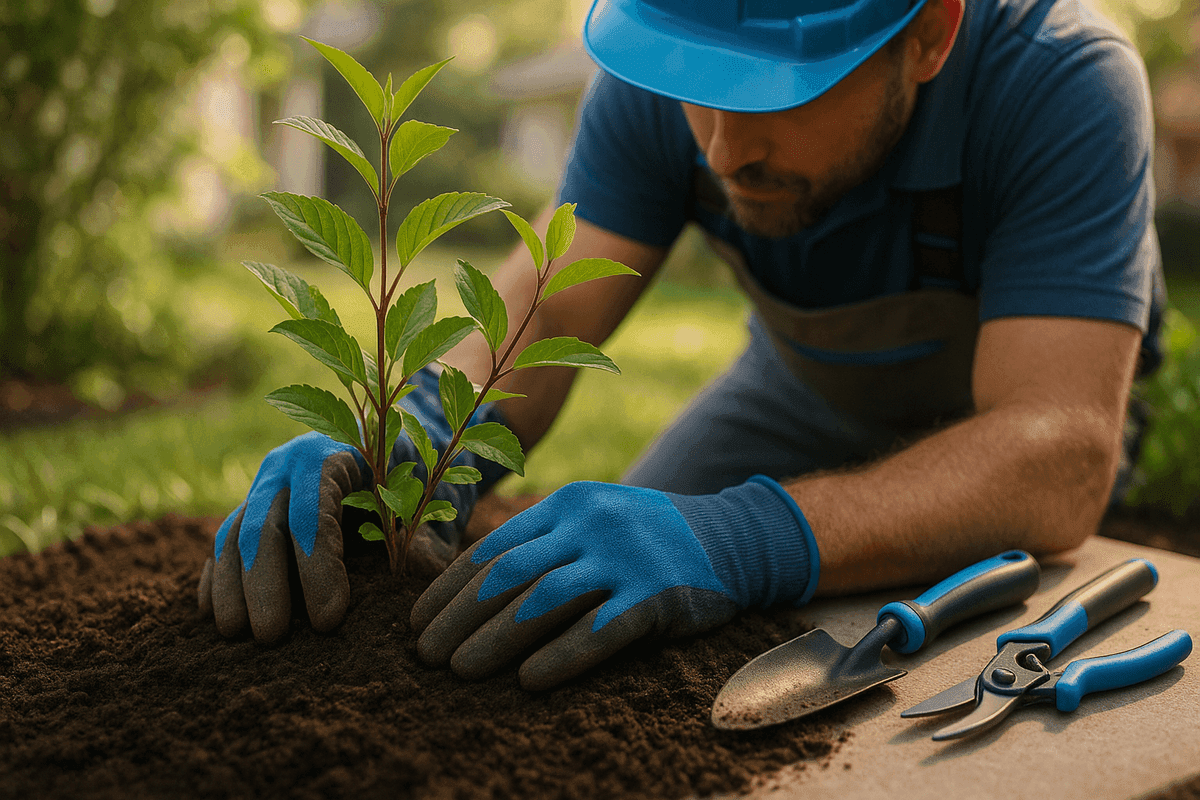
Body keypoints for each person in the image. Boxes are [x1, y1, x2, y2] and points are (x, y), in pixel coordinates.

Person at [199, 0, 1164, 690]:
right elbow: (556, 309)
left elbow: (1058, 446)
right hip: (799, 389)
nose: (718, 146)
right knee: (605, 590)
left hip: (1010, 428)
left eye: (775, 95)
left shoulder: (1060, 79)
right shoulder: (664, 81)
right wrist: (412, 448)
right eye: (698, 91)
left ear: (927, 34)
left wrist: (746, 536)